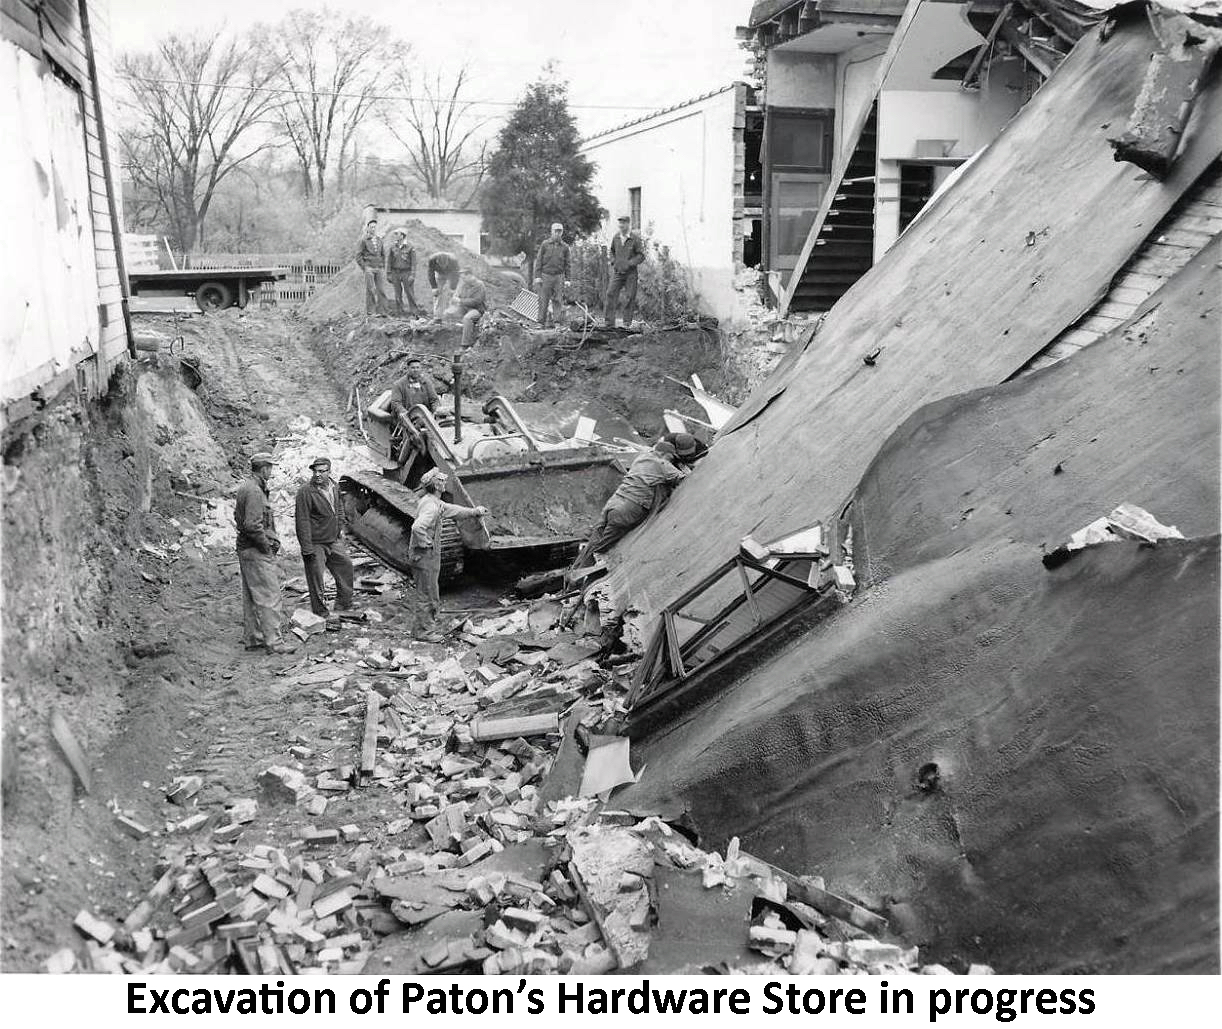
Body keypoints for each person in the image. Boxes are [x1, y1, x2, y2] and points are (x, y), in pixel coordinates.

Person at [406, 468, 488, 640]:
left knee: (429, 592)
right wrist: (425, 543)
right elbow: (417, 527)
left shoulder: (433, 501)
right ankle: (424, 632)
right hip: (424, 556)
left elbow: (452, 510)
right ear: (436, 485)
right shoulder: (431, 506)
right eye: (442, 481)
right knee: (428, 595)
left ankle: (420, 629)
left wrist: (474, 512)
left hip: (426, 556)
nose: (445, 483)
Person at [580, 439, 688, 562]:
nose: (671, 460)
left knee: (593, 541)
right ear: (665, 454)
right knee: (600, 549)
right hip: (628, 509)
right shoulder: (663, 464)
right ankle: (579, 575)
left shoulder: (641, 457)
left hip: (614, 502)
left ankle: (575, 569)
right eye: (671, 457)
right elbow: (687, 478)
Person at [235, 452, 293, 654]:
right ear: (265, 469)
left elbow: (239, 518)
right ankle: (274, 643)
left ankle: (254, 638)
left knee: (252, 596)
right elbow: (251, 524)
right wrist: (266, 547)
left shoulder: (247, 487)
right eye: (271, 467)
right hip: (256, 550)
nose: (272, 471)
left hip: (246, 549)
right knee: (270, 596)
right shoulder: (254, 491)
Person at [294, 457, 354, 620]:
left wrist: (340, 527)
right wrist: (306, 548)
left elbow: (338, 508)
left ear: (329, 471)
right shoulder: (306, 491)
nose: (317, 475)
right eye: (315, 471)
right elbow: (302, 520)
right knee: (316, 578)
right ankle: (320, 612)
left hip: (333, 539)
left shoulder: (334, 486)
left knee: (346, 566)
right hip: (316, 542)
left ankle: (343, 603)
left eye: (322, 471)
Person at [605, 214, 645, 328]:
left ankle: (626, 323)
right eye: (620, 223)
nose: (621, 225)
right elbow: (611, 251)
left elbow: (641, 255)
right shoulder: (616, 237)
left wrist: (629, 263)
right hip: (617, 272)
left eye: (624, 223)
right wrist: (613, 261)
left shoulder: (635, 239)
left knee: (629, 297)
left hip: (630, 274)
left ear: (628, 224)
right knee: (610, 293)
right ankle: (609, 323)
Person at [534, 222, 571, 328]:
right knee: (543, 300)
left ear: (562, 233)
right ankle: (540, 323)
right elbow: (539, 260)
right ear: (552, 232)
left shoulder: (565, 247)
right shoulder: (545, 244)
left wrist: (568, 279)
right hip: (546, 276)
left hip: (559, 277)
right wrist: (537, 276)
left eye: (560, 231)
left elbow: (568, 264)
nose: (558, 234)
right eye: (556, 231)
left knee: (558, 300)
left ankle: (557, 323)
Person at [384, 229, 424, 316]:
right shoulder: (392, 247)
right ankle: (400, 312)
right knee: (397, 293)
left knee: (409, 292)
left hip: (407, 272)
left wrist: (412, 275)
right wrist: (388, 273)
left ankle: (414, 312)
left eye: (397, 234)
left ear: (402, 236)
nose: (395, 236)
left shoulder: (410, 247)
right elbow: (389, 261)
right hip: (395, 272)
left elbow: (414, 262)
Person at [356, 219, 387, 316]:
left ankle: (382, 311)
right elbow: (358, 256)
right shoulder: (363, 240)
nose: (373, 229)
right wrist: (365, 267)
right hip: (369, 267)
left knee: (381, 290)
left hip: (379, 268)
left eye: (375, 227)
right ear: (368, 228)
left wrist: (382, 266)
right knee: (371, 289)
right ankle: (371, 312)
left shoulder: (379, 240)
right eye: (371, 227)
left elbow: (383, 254)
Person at [452, 268, 487, 348]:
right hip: (465, 308)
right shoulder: (464, 285)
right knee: (449, 314)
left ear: (470, 275)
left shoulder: (479, 285)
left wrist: (460, 301)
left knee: (467, 318)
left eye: (464, 277)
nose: (462, 280)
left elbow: (476, 301)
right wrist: (455, 297)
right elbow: (459, 295)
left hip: (477, 309)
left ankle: (465, 344)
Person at [427, 252, 461, 319]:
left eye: (444, 265)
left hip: (451, 274)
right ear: (437, 262)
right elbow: (430, 273)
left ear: (447, 261)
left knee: (453, 294)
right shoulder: (432, 259)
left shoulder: (453, 260)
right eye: (441, 265)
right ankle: (437, 315)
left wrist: (453, 288)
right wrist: (434, 288)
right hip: (439, 274)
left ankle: (451, 313)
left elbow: (456, 275)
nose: (443, 266)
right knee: (438, 294)